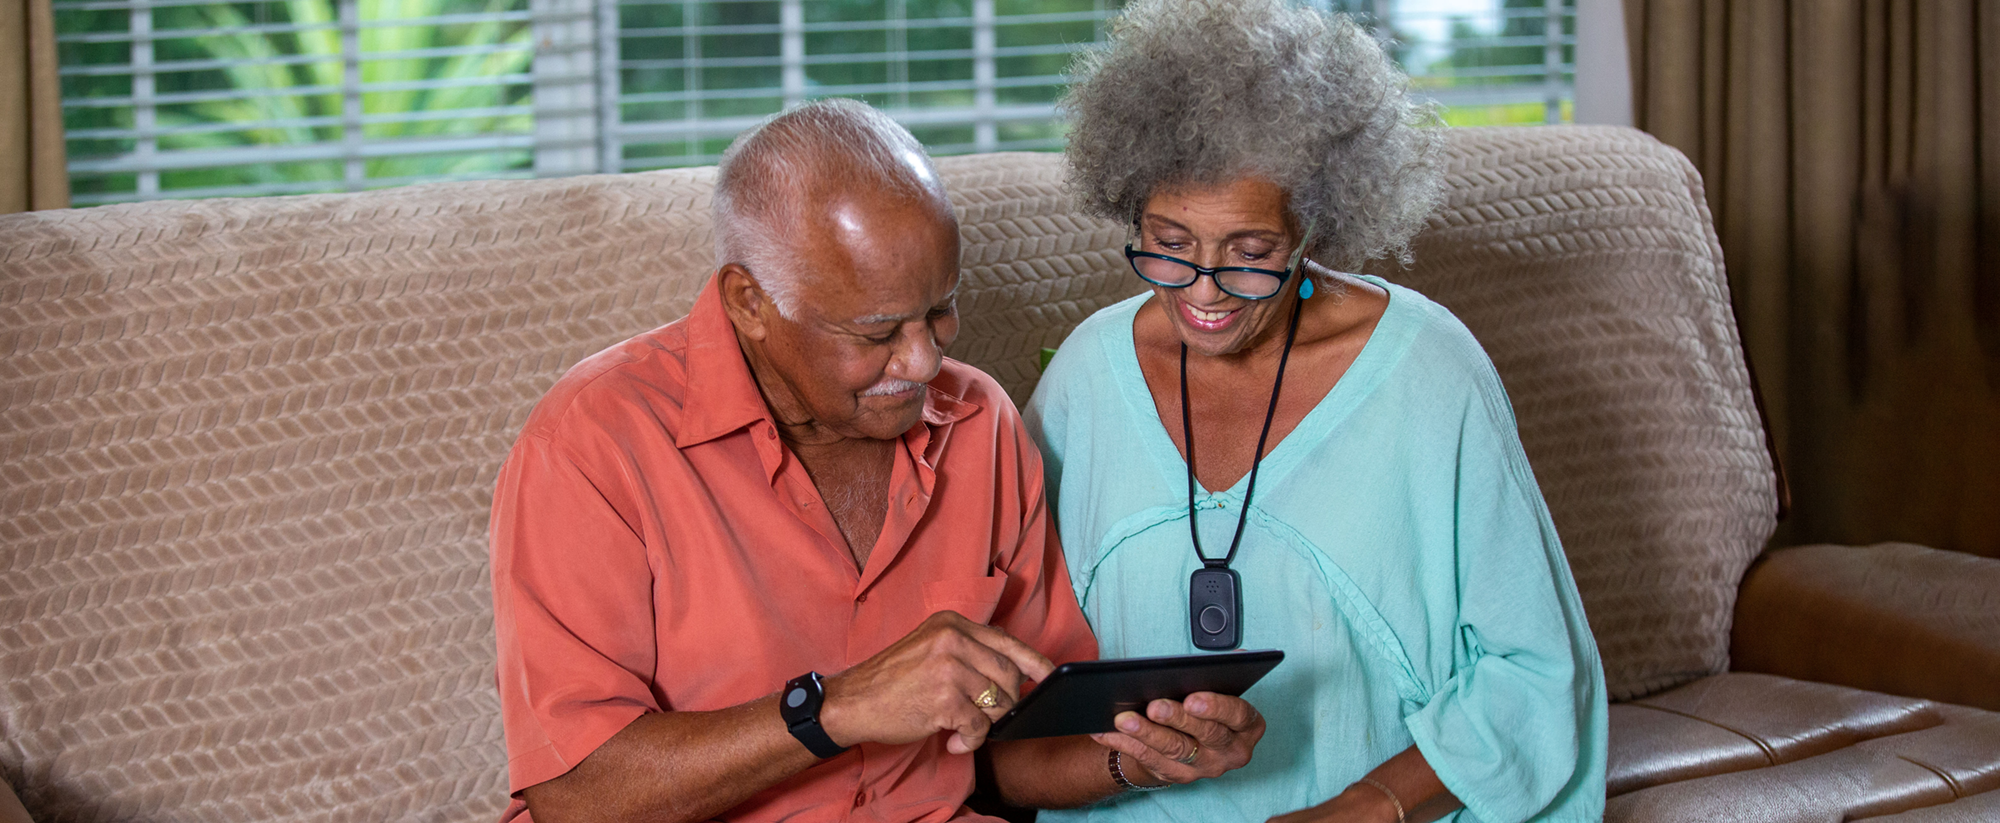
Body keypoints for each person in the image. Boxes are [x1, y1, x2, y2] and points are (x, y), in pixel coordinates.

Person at [487, 98, 1266, 823]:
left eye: (940, 310)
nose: (925, 361)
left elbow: (1011, 750)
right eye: (876, 332)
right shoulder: (596, 441)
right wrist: (834, 709)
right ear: (749, 304)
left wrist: (1146, 759)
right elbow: (574, 792)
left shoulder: (978, 423)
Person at [1024, 2, 1609, 822]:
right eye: (1169, 241)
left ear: (1313, 228)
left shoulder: (1429, 373)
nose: (1201, 291)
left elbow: (1534, 669)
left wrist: (1365, 808)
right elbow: (1013, 674)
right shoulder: (1086, 377)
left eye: (1250, 254)